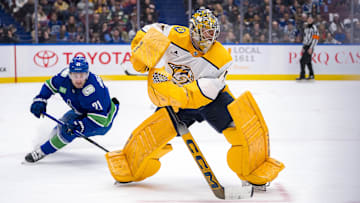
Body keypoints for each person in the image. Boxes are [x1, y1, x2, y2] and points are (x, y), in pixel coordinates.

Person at [106, 8, 284, 190]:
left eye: (212, 33)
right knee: (152, 134)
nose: (210, 38)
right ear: (194, 30)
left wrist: (167, 89)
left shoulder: (221, 58)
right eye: (206, 32)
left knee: (241, 129)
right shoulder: (175, 35)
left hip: (211, 99)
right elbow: (150, 30)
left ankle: (253, 170)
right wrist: (143, 50)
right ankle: (130, 166)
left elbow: (205, 91)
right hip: (176, 99)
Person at [25, 56, 119, 163]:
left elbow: (100, 120)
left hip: (102, 121)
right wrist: (41, 99)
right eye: (75, 75)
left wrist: (80, 125)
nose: (78, 79)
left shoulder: (94, 90)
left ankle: (42, 151)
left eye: (82, 75)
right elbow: (49, 85)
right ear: (70, 74)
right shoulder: (63, 78)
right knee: (63, 124)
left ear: (87, 74)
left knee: (68, 131)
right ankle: (51, 142)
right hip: (81, 111)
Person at [297, 15, 319, 80]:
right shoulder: (306, 28)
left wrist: (311, 48)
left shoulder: (314, 28)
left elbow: (316, 38)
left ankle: (303, 75)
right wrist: (303, 47)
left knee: (302, 61)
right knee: (308, 61)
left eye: (310, 19)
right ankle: (311, 75)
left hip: (310, 46)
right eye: (308, 19)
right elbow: (305, 38)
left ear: (313, 20)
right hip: (306, 46)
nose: (309, 20)